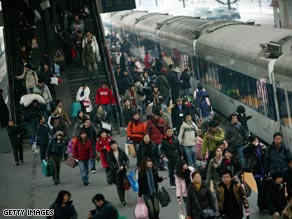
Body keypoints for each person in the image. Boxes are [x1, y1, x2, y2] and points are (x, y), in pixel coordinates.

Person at [243, 135, 267, 211]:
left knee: (263, 188)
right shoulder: (250, 148)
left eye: (256, 139)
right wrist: (252, 145)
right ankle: (261, 205)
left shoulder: (261, 147)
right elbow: (244, 151)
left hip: (263, 170)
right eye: (254, 140)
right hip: (256, 171)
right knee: (260, 188)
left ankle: (263, 204)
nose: (256, 141)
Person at [107, 140, 129, 207]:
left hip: (123, 171)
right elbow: (110, 162)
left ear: (117, 144)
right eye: (112, 145)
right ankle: (122, 200)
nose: (114, 146)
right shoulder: (109, 153)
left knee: (124, 184)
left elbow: (126, 159)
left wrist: (126, 165)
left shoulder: (121, 151)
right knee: (119, 186)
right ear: (110, 146)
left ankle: (123, 198)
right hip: (115, 172)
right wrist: (117, 167)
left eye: (114, 144)